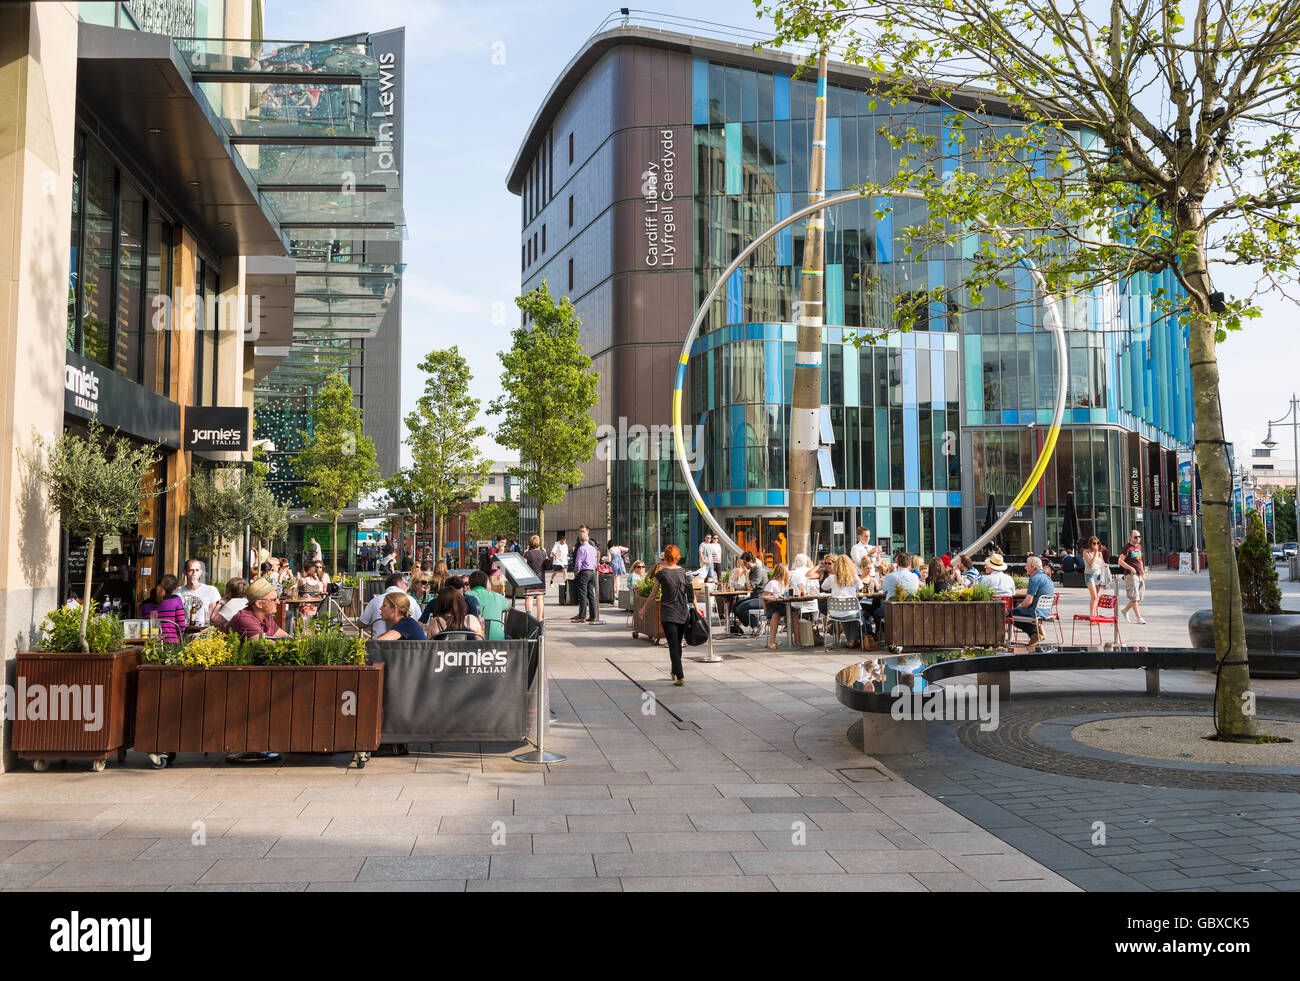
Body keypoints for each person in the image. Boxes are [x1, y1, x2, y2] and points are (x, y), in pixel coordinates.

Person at [652, 545, 692, 685]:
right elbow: (690, 594)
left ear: (665, 557)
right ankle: (675, 671)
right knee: (677, 645)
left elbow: (653, 594)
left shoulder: (661, 574)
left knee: (673, 646)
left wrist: (642, 609)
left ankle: (680, 676)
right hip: (682, 613)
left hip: (668, 614)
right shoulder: (684, 571)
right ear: (677, 556)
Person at [1012, 556, 1056, 648]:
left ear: (1033, 567)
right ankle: (1037, 631)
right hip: (1046, 611)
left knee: (1009, 614)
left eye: (1027, 565)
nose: (1025, 567)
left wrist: (1018, 607)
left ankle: (1034, 634)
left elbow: (1028, 602)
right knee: (1016, 612)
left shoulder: (1034, 578)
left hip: (1035, 612)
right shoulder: (1047, 578)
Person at [827, 553, 864, 648]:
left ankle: (850, 640)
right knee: (856, 614)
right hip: (851, 611)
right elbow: (861, 587)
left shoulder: (832, 578)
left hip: (835, 612)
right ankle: (853, 640)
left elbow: (823, 586)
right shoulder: (854, 577)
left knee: (844, 613)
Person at [730, 551, 771, 631]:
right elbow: (747, 586)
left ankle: (757, 624)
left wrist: (746, 575)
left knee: (741, 607)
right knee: (734, 606)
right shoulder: (752, 570)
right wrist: (737, 588)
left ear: (751, 561)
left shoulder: (758, 570)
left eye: (745, 563)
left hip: (762, 598)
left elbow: (750, 588)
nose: (744, 565)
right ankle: (754, 625)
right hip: (755, 597)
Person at [141, 574, 187, 642]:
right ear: (174, 589)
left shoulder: (144, 604)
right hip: (171, 643)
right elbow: (181, 625)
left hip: (150, 644)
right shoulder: (176, 600)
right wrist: (178, 638)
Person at [177, 559, 222, 628]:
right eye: (191, 570)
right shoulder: (178, 593)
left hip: (205, 633)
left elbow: (213, 617)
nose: (194, 573)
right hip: (185, 633)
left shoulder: (210, 590)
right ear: (184, 572)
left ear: (200, 572)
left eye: (197, 570)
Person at [360, 573, 407, 638]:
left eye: (384, 605)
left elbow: (362, 624)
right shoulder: (412, 601)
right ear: (399, 584)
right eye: (406, 584)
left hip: (380, 646)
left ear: (395, 609)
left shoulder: (376, 600)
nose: (380, 608)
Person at [468, 570, 510, 639]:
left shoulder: (465, 596)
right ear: (486, 584)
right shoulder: (497, 596)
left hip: (473, 642)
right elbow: (509, 607)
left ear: (469, 585)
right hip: (498, 641)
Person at [1118, 529, 1148, 624]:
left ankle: (1125, 610)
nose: (1138, 538)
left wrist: (1143, 573)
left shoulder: (1139, 547)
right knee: (1134, 597)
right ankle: (1139, 618)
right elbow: (1120, 561)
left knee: (1138, 597)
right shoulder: (1127, 548)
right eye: (1136, 537)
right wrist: (1130, 568)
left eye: (1139, 536)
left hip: (1139, 574)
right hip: (1131, 575)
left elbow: (1140, 560)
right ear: (1131, 537)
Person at [571, 529, 599, 623]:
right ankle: (593, 615)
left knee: (582, 594)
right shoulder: (593, 549)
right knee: (591, 594)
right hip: (592, 572)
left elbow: (578, 562)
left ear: (580, 540)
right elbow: (595, 561)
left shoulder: (581, 548)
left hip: (584, 572)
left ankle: (582, 616)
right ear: (588, 539)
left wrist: (576, 572)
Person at [762, 563, 792, 650]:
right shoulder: (772, 583)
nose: (789, 573)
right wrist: (765, 611)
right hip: (772, 605)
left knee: (795, 611)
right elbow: (765, 598)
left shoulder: (785, 583)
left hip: (782, 604)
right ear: (783, 572)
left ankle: (797, 640)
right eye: (788, 571)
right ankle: (772, 642)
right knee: (775, 615)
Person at [522, 535, 548, 622]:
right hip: (540, 578)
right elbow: (546, 562)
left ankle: (528, 618)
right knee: (539, 597)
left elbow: (523, 565)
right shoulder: (543, 552)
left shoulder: (527, 553)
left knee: (529, 598)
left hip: (530, 578)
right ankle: (539, 618)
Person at [1082, 536, 1108, 618]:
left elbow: (1103, 563)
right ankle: (1092, 616)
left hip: (1098, 575)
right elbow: (1091, 563)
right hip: (1089, 576)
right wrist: (1096, 553)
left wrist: (1105, 565)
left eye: (1097, 543)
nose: (1096, 545)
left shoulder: (1100, 553)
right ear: (1090, 544)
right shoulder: (1086, 552)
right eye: (1094, 543)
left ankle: (1095, 615)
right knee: (1094, 596)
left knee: (1096, 597)